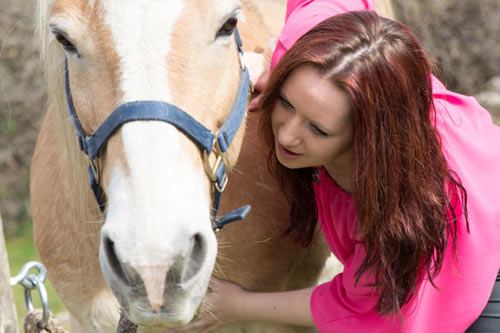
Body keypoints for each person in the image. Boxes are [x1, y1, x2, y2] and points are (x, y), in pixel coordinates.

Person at [175, 2, 500, 332]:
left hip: (483, 245)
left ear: (366, 139)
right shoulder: (313, 50)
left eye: (317, 129)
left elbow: (370, 310)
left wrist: (238, 304)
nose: (286, 135)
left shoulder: (394, 208)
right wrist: (275, 58)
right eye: (286, 103)